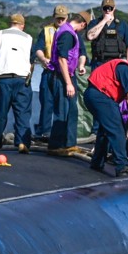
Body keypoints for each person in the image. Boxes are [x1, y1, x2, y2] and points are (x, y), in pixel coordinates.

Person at [0, 13, 34, 153]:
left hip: (2, 79)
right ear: (22, 25)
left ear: (10, 23)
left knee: (0, 112)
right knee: (22, 112)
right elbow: (31, 62)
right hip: (22, 80)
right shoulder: (28, 38)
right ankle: (23, 142)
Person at [83, 58, 128, 177]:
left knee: (105, 129)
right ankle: (122, 166)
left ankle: (97, 162)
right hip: (101, 97)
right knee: (117, 130)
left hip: (91, 94)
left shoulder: (121, 65)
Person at [47, 11, 89, 156]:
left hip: (68, 75)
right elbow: (62, 59)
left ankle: (69, 144)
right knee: (62, 112)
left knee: (72, 111)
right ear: (83, 24)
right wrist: (68, 83)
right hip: (62, 77)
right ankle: (55, 145)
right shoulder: (67, 34)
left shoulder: (68, 31)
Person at [31, 5, 69, 142]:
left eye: (62, 18)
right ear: (54, 17)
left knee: (61, 106)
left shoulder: (70, 31)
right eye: (58, 18)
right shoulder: (47, 31)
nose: (60, 21)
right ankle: (44, 132)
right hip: (48, 71)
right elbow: (38, 48)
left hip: (63, 73)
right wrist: (43, 59)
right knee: (46, 103)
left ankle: (60, 134)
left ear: (67, 18)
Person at [85, 0, 128, 66]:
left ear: (114, 8)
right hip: (99, 63)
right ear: (101, 8)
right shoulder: (95, 23)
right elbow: (90, 36)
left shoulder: (122, 24)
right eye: (105, 8)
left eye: (110, 8)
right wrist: (104, 20)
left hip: (117, 63)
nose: (108, 11)